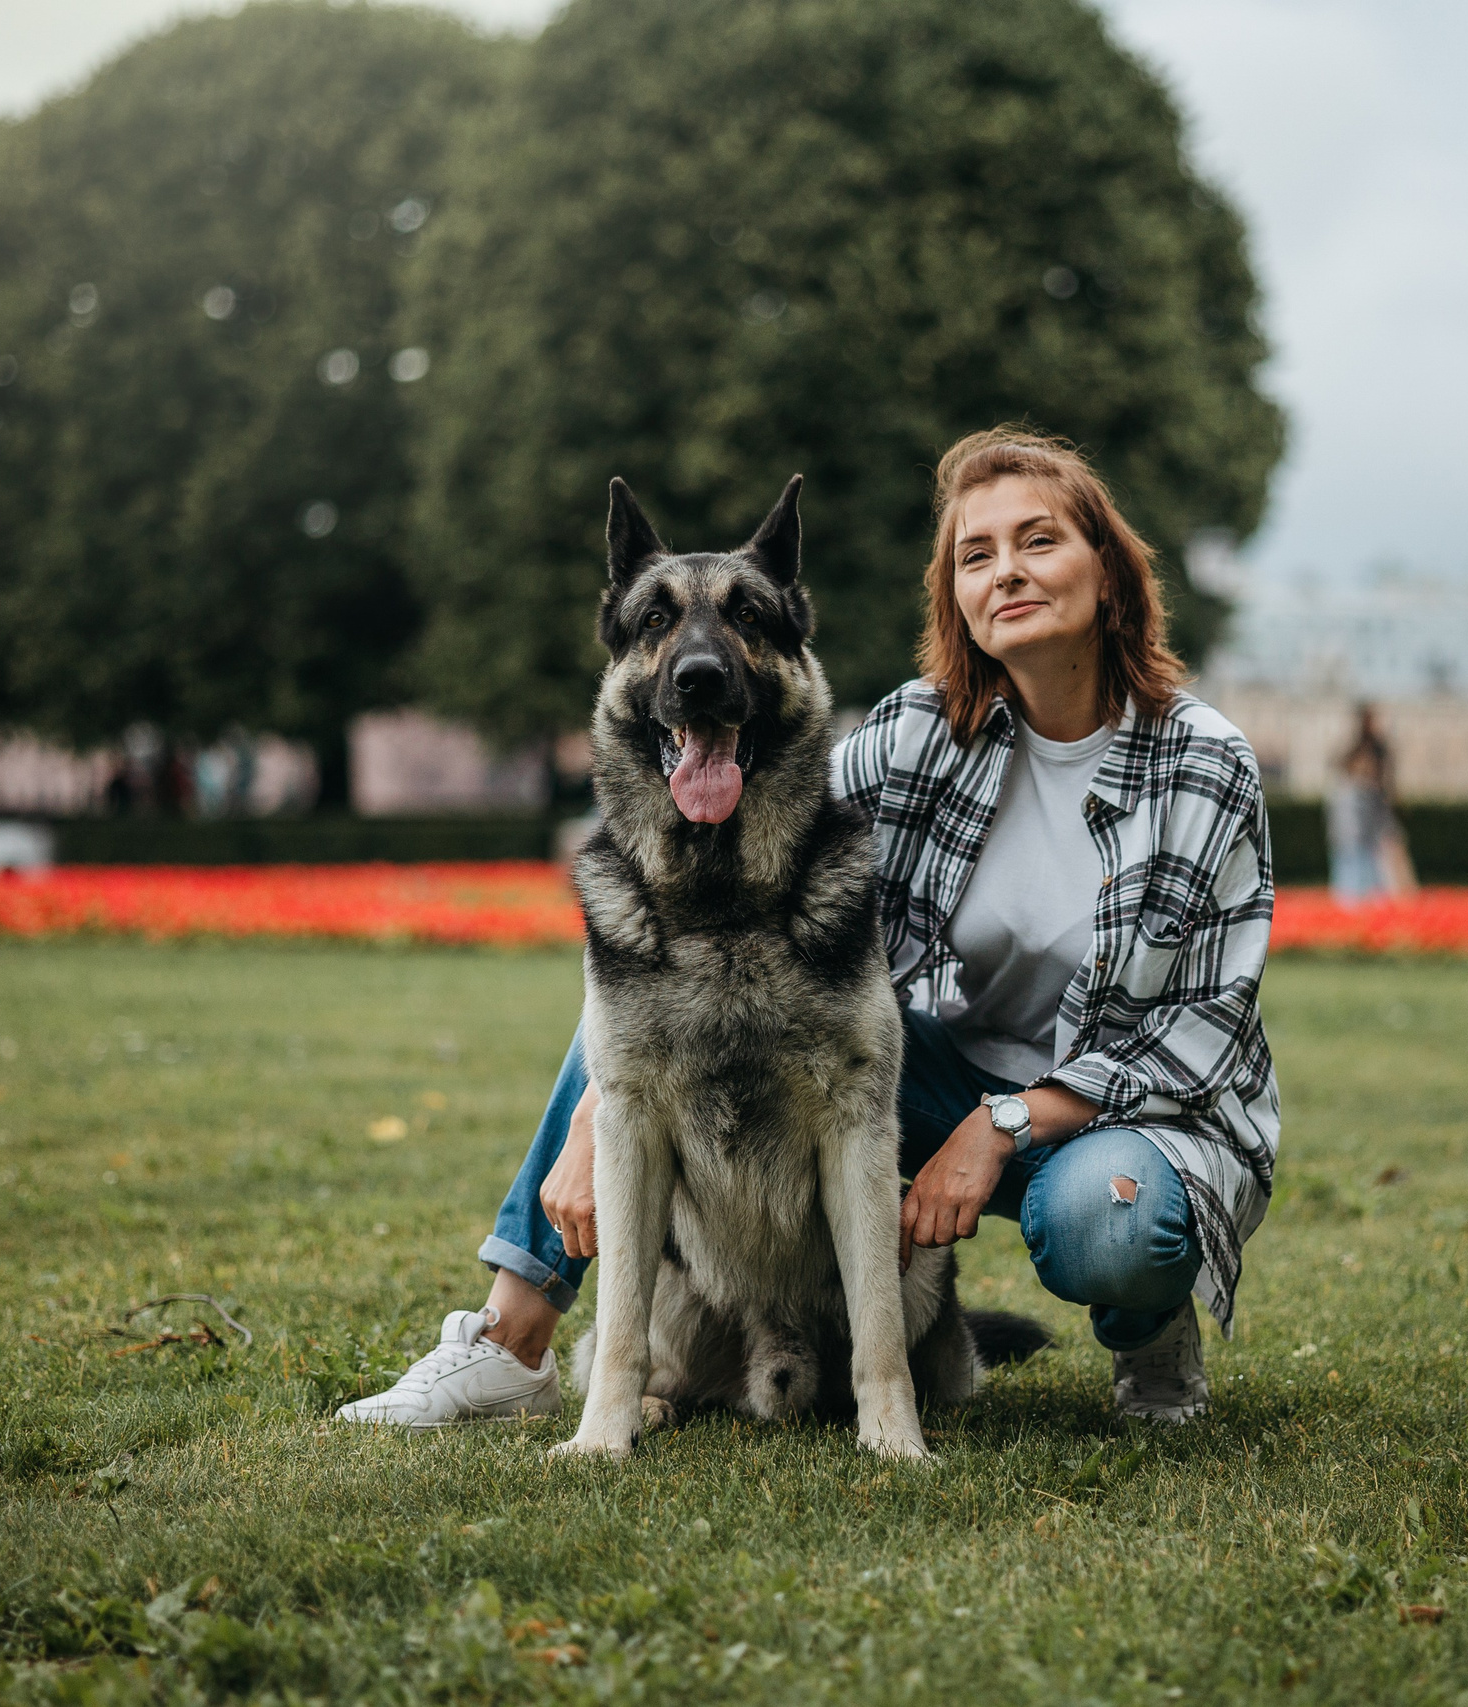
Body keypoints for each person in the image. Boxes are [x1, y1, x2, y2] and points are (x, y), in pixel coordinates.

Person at [339, 427, 1281, 1430]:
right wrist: (597, 1112)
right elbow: (713, 902)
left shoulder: (1203, 763)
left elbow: (1193, 1036)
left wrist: (1002, 1124)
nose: (1006, 570)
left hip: (1125, 1114)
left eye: (1038, 540)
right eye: (976, 553)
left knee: (1109, 1225)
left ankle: (1151, 1338)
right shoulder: (920, 735)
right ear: (956, 595)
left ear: (1109, 569)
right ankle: (509, 1337)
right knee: (665, 952)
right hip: (946, 1076)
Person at [1326, 702, 1412, 902]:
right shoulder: (1358, 748)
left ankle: (1389, 892)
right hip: (1362, 811)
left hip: (1377, 807)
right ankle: (1361, 892)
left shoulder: (1377, 748)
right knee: (1359, 853)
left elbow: (1387, 779)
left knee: (1385, 850)